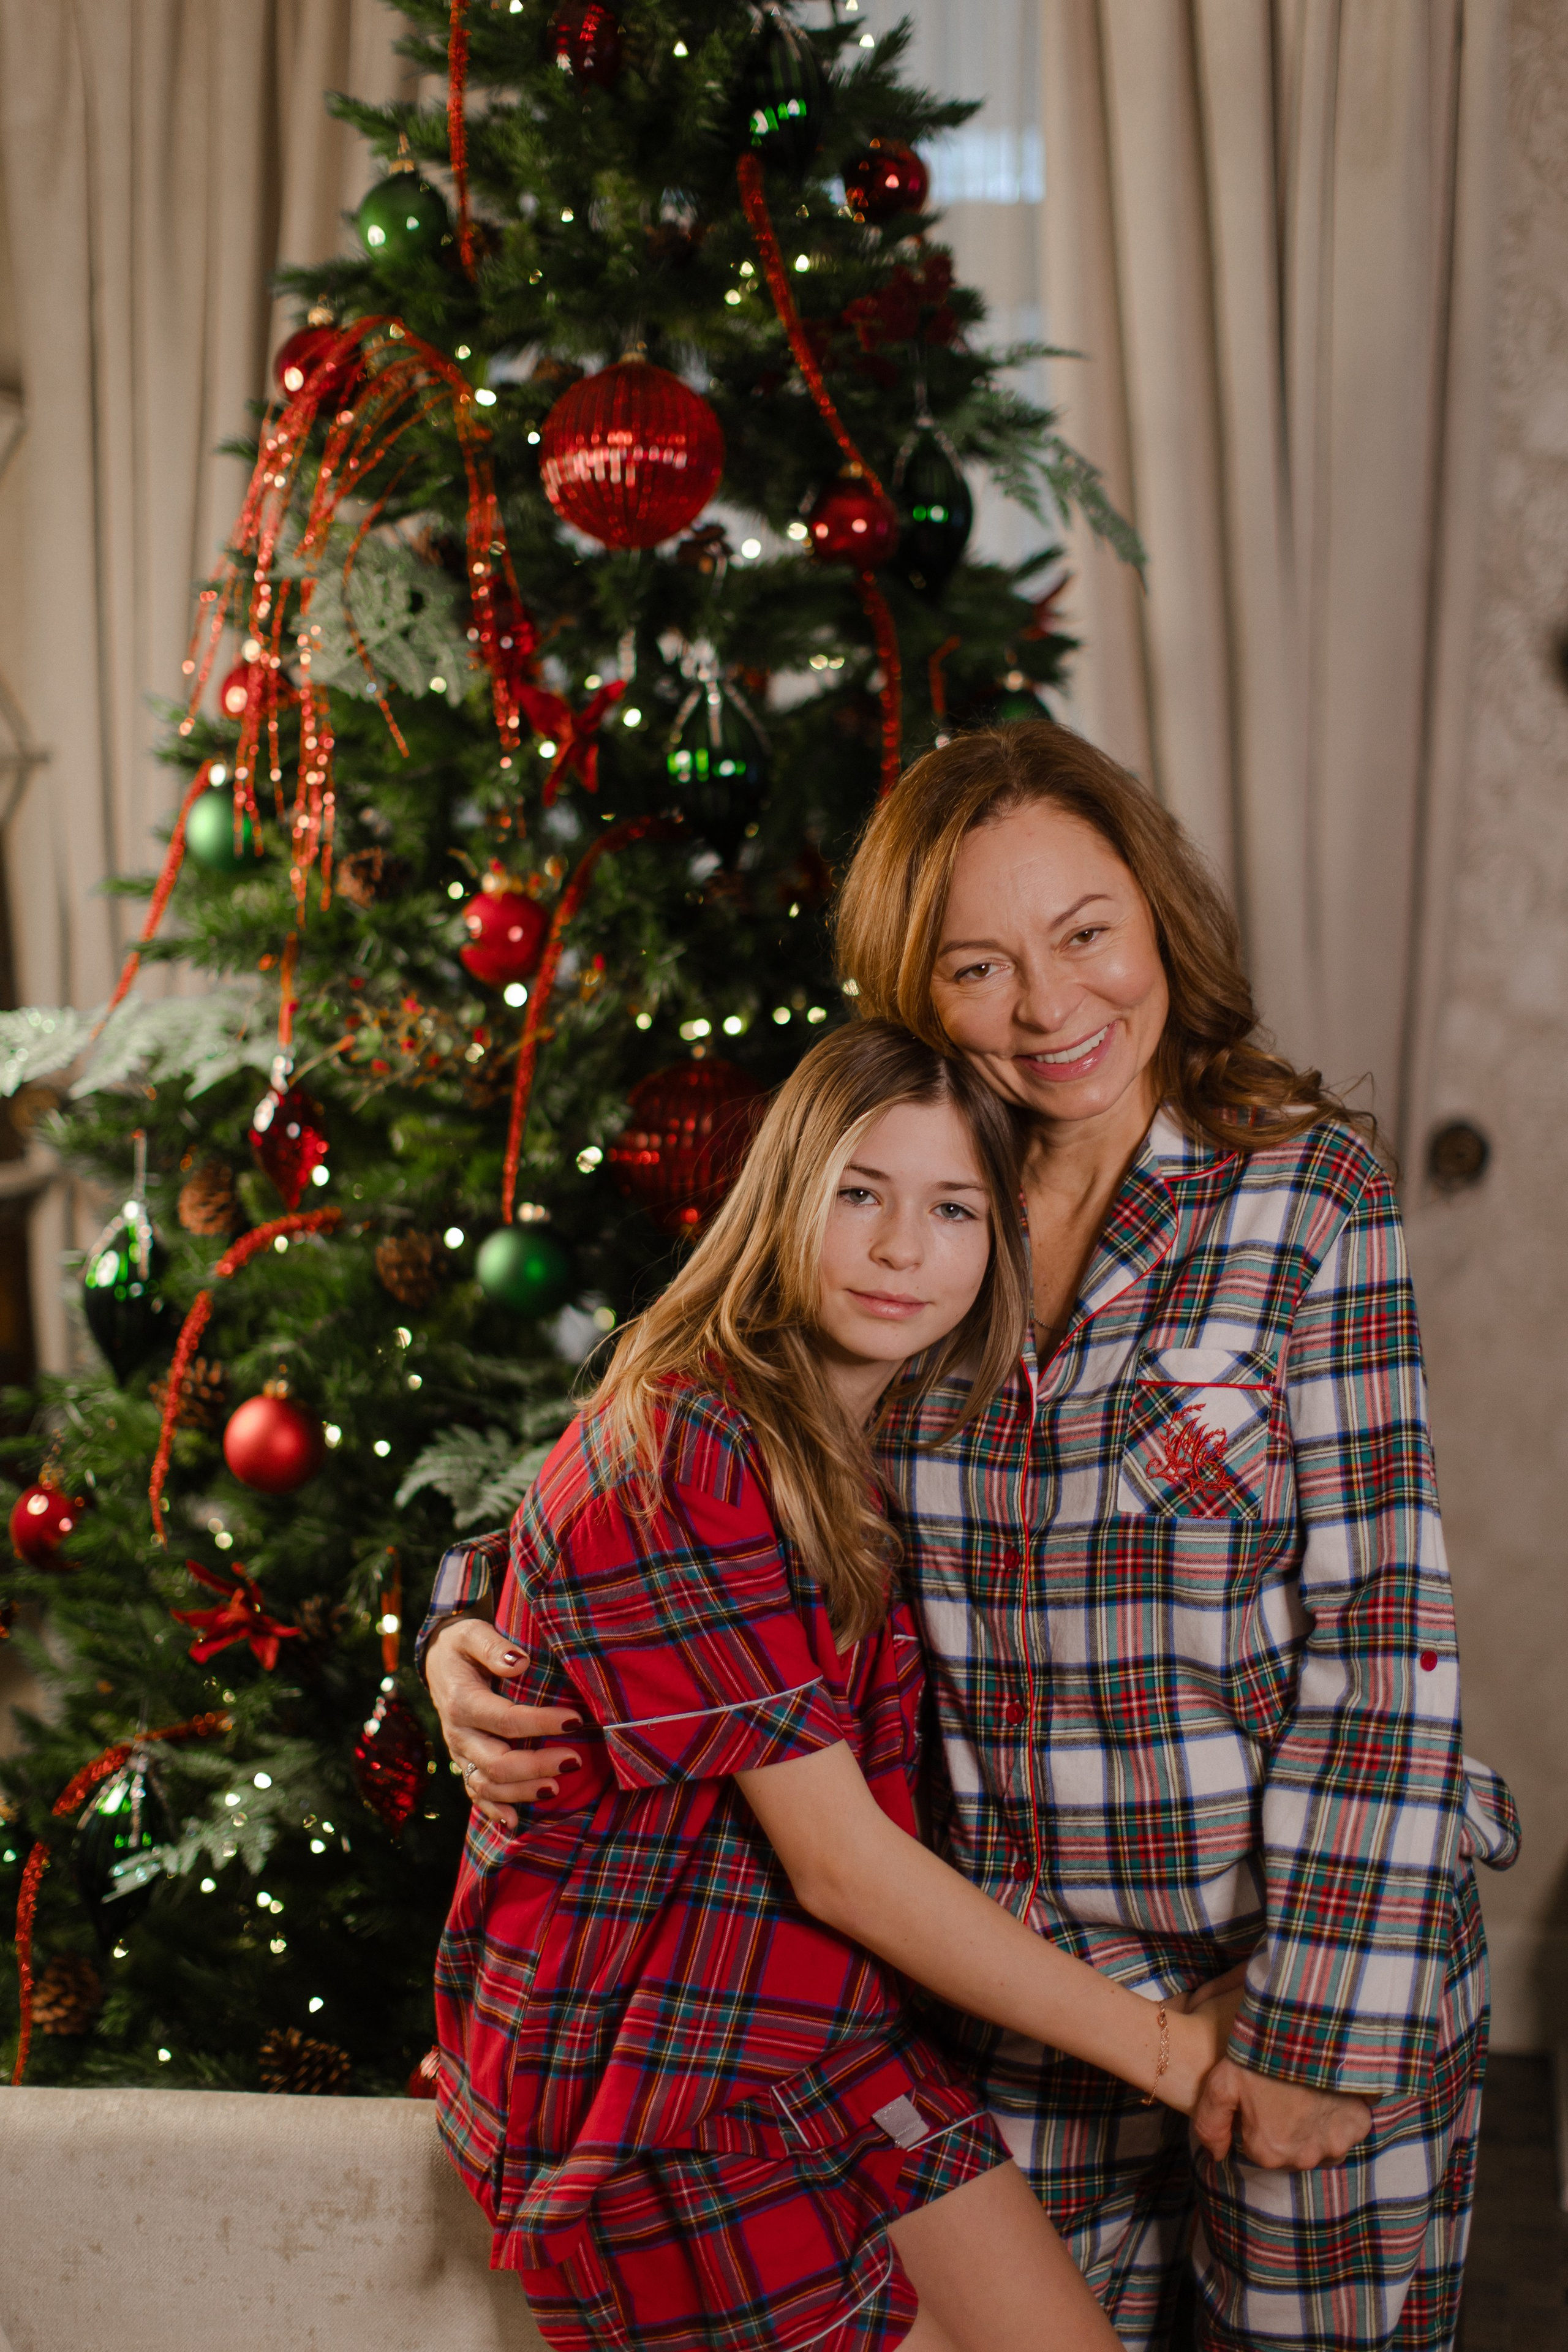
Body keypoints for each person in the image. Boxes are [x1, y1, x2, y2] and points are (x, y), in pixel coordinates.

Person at [423, 726, 1520, 2352]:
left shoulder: (1301, 1201)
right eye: (982, 965)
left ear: (1158, 919)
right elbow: (680, 1450)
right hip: (1006, 2002)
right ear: (918, 994)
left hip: (1288, 1980)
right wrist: (462, 1628)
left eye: (1088, 934)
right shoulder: (925, 1207)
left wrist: (1308, 2038)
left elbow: (1386, 1646)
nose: (1053, 1004)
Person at [429, 1020, 1250, 2352]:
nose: (897, 1249)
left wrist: (451, 1611)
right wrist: (1172, 2052)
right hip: (654, 2081)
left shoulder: (890, 1440)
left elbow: (527, 1557)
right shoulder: (688, 1434)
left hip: (825, 2026)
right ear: (783, 1196)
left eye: (950, 1209)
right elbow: (841, 1865)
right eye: (857, 1194)